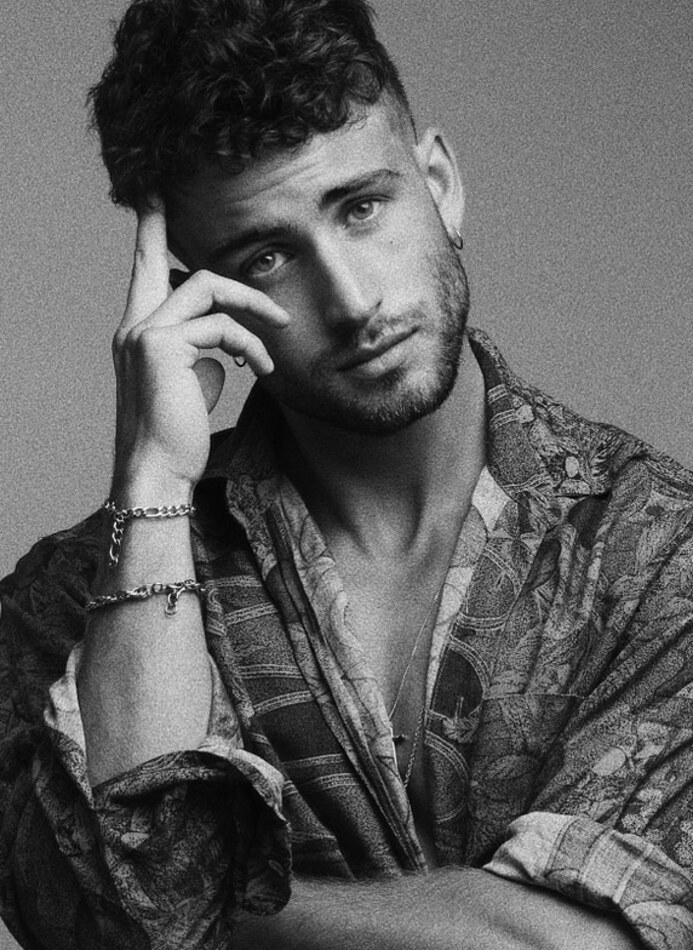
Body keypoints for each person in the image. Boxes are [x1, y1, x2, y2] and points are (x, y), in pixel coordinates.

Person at [1, 0, 692, 946]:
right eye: (268, 255)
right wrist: (152, 477)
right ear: (193, 298)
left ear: (439, 185)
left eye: (361, 208)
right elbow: (85, 915)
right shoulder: (57, 611)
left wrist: (200, 910)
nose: (354, 301)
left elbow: (584, 946)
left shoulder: (659, 553)